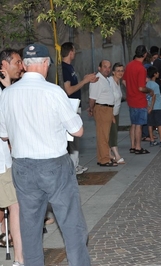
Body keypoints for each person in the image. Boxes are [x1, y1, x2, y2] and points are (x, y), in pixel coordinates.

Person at [0, 43, 90, 265]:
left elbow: (3, 134)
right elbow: (77, 130)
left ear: (25, 65)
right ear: (44, 63)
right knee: (71, 224)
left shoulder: (8, 94)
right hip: (54, 165)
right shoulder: (53, 91)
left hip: (22, 167)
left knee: (30, 229)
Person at [0, 48, 24, 266]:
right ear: (4, 66)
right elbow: (5, 129)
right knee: (14, 207)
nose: (21, 65)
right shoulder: (4, 92)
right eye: (17, 61)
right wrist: (7, 89)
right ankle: (19, 258)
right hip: (2, 162)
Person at [61, 42, 98, 174]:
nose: (75, 53)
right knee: (73, 137)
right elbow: (69, 90)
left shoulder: (70, 67)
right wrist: (84, 81)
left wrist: (85, 79)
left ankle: (75, 164)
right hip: (70, 106)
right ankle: (72, 166)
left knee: (75, 140)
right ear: (70, 52)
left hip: (75, 106)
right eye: (74, 51)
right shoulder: (64, 68)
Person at [123, 45, 154, 155]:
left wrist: (130, 89)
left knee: (133, 124)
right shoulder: (141, 68)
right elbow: (141, 88)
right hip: (139, 99)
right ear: (145, 54)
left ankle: (132, 146)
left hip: (130, 98)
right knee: (139, 125)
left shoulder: (129, 65)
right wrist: (149, 90)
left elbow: (124, 81)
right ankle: (138, 147)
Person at [88, 60, 117, 166]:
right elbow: (92, 98)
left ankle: (102, 158)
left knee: (103, 135)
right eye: (105, 67)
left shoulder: (104, 79)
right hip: (102, 109)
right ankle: (105, 159)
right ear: (99, 68)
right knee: (103, 136)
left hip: (107, 109)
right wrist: (91, 109)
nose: (107, 69)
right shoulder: (98, 80)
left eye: (109, 67)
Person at [146, 66, 161, 147]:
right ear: (155, 74)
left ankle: (152, 140)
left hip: (149, 107)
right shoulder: (155, 85)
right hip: (157, 107)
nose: (159, 74)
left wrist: (148, 106)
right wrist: (152, 106)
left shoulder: (147, 84)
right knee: (159, 124)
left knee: (150, 124)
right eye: (157, 72)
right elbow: (154, 96)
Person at [108, 62, 125, 164]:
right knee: (113, 134)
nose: (120, 73)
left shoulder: (118, 82)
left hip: (116, 112)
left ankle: (109, 154)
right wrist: (111, 114)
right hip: (110, 112)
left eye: (122, 70)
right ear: (113, 72)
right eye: (118, 71)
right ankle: (117, 155)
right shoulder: (110, 82)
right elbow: (108, 99)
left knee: (111, 134)